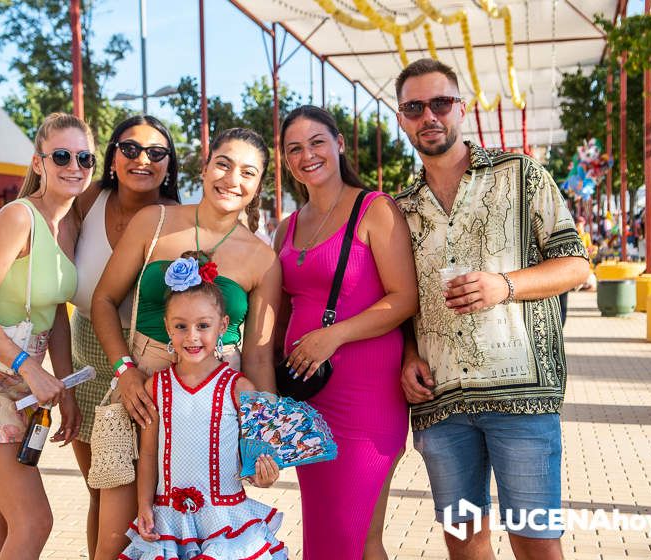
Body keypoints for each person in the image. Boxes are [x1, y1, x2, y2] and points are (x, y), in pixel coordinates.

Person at [393, 59, 589, 560]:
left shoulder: (520, 175)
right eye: (415, 107)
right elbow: (401, 299)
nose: (429, 116)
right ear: (401, 118)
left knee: (535, 541)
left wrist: (503, 285)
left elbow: (575, 265)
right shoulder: (398, 208)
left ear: (462, 107)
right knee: (464, 544)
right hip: (442, 403)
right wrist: (408, 353)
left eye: (440, 103)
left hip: (520, 395)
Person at [92, 127, 281, 555]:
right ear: (205, 164)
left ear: (258, 186)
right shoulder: (153, 222)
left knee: (204, 537)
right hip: (139, 389)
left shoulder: (262, 258)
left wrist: (262, 438)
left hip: (214, 405)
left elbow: (258, 355)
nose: (232, 179)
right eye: (224, 164)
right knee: (115, 538)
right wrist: (124, 372)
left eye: (248, 173)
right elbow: (104, 299)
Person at [0, 112, 91, 559]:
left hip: (24, 387)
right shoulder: (18, 218)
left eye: (84, 157)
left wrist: (63, 385)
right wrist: (32, 369)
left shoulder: (67, 226)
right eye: (61, 155)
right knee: (34, 521)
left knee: (3, 523)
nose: (74, 165)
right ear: (38, 163)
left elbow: (57, 314)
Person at [273, 105, 419, 559]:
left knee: (349, 531)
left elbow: (404, 297)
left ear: (338, 144)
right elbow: (277, 314)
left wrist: (332, 336)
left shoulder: (374, 209)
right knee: (330, 532)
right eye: (294, 148)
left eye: (317, 142)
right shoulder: (286, 228)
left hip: (365, 395)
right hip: (307, 396)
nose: (307, 155)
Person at [119, 257, 286, 559]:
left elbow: (254, 459)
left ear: (222, 325)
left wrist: (264, 476)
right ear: (167, 327)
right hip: (168, 516)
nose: (192, 336)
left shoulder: (239, 388)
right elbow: (148, 454)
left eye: (203, 326)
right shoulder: (155, 387)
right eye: (181, 326)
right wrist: (144, 505)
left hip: (223, 518)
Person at [70, 115, 180, 560]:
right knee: (101, 489)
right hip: (87, 355)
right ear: (112, 156)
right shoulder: (89, 200)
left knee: (137, 495)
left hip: (146, 363)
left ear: (169, 165)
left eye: (156, 152)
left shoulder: (177, 217)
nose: (142, 159)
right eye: (130, 148)